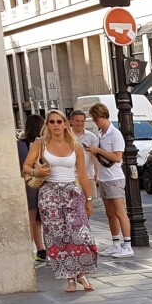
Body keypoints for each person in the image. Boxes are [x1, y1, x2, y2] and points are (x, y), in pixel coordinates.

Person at [21, 109, 97, 292]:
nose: (56, 125)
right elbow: (26, 166)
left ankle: (82, 273)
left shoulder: (75, 145)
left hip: (72, 192)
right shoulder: (40, 144)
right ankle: (70, 277)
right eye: (52, 122)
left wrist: (88, 199)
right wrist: (35, 172)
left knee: (79, 232)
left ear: (65, 124)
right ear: (47, 124)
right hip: (49, 195)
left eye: (59, 121)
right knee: (57, 236)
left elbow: (83, 175)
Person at [84, 103, 133, 258]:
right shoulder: (100, 134)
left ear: (104, 117)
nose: (95, 122)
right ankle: (116, 243)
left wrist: (98, 150)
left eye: (96, 119)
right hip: (104, 178)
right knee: (110, 213)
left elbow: (117, 157)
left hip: (114, 177)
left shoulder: (115, 134)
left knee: (120, 212)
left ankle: (128, 244)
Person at [18, 114, 47, 266]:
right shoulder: (44, 144)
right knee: (46, 221)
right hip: (44, 184)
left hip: (29, 185)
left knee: (32, 220)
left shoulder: (20, 144)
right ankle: (46, 250)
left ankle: (37, 251)